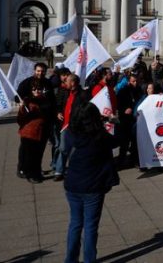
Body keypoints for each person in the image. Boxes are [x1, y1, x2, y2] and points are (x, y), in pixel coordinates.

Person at [63, 101, 119, 263]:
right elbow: (118, 140)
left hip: (73, 184)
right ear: (94, 118)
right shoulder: (100, 136)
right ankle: (89, 260)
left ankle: (70, 259)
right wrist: (114, 121)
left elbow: (67, 148)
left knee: (75, 223)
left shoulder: (70, 133)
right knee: (90, 226)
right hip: (93, 187)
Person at [16, 62, 55, 183]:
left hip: (44, 127)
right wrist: (22, 104)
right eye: (38, 71)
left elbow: (52, 100)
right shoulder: (27, 83)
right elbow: (17, 96)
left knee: (38, 152)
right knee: (26, 151)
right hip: (30, 130)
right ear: (34, 70)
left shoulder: (48, 84)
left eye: (42, 71)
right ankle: (24, 170)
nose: (40, 73)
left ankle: (35, 170)